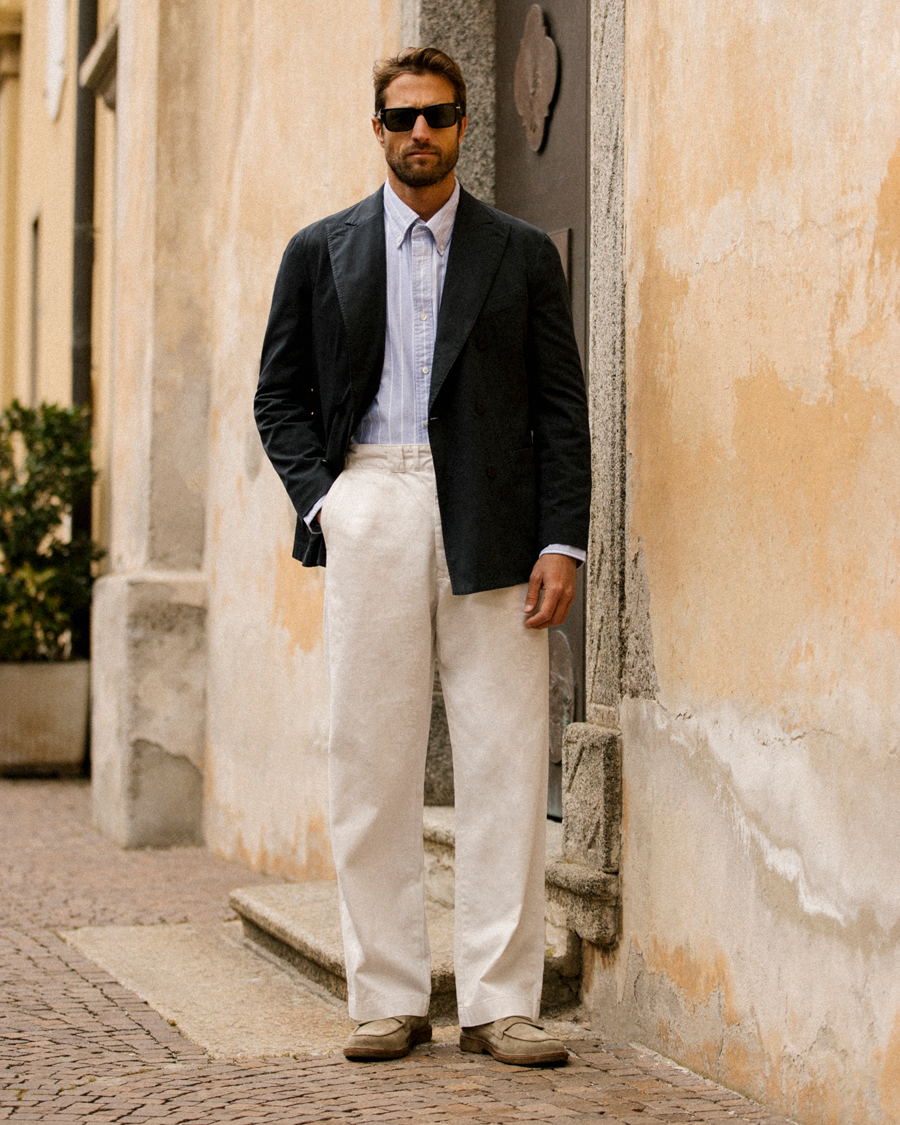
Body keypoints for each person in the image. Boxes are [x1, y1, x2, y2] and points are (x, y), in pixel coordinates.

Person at [255, 46, 591, 1066]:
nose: (420, 133)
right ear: (378, 126)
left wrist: (562, 538)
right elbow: (280, 398)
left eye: (438, 116)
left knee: (501, 760)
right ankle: (388, 996)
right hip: (373, 501)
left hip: (494, 521)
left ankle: (500, 1005)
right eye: (402, 117)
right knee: (372, 761)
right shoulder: (322, 251)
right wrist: (327, 507)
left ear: (461, 126)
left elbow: (561, 411)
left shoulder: (521, 251)